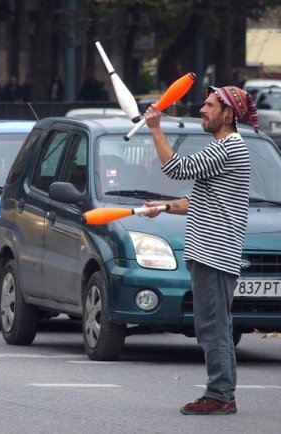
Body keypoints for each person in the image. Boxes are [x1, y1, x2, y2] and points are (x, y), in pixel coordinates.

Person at [142, 85, 258, 415]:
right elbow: (202, 202)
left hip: (213, 253)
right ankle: (223, 393)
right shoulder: (226, 151)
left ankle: (220, 394)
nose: (202, 110)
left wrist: (155, 127)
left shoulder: (227, 148)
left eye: (209, 106)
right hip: (212, 252)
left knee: (212, 326)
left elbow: (175, 168)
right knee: (215, 324)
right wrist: (164, 207)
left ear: (228, 114)